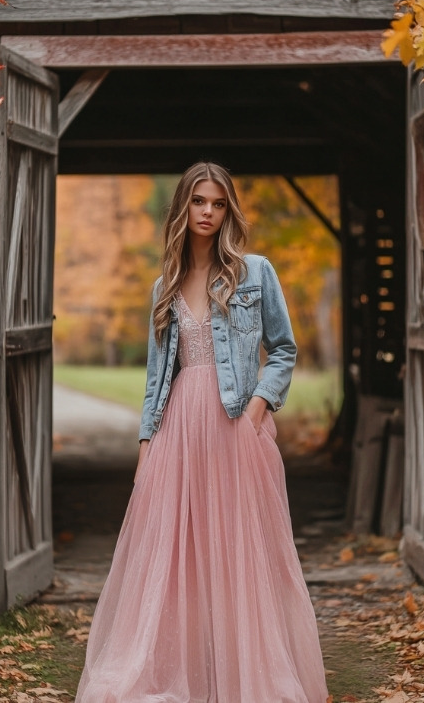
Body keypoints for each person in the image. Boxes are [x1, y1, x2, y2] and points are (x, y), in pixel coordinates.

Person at [75, 162, 329, 703]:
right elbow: (155, 377)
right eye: (198, 202)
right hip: (178, 432)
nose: (208, 212)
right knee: (176, 561)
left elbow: (283, 350)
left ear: (228, 208)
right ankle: (182, 673)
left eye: (217, 203)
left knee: (241, 556)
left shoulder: (256, 272)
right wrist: (146, 448)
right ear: (183, 209)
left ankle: (247, 676)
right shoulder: (163, 285)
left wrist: (259, 409)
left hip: (238, 425)